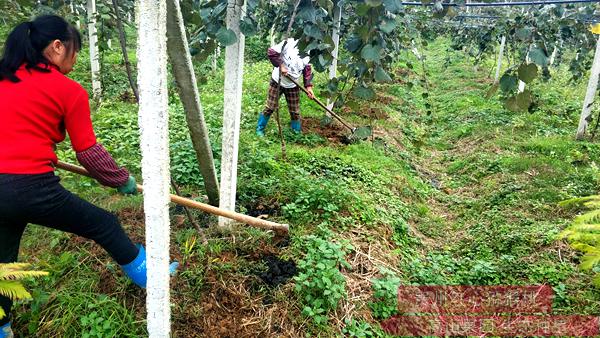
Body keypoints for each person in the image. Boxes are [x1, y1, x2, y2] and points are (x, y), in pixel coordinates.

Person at [0, 16, 175, 338]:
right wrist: (121, 179)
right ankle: (156, 279)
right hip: (30, 187)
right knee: (104, 224)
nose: (76, 59)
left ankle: (2, 328)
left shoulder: (3, 79)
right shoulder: (68, 90)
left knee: (2, 262)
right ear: (56, 47)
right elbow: (89, 153)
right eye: (74, 51)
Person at [256, 38, 315, 136]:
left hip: (293, 84)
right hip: (277, 81)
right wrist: (281, 66)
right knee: (270, 107)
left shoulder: (308, 50)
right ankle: (260, 129)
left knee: (295, 111)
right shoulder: (289, 42)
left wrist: (308, 87)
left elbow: (307, 69)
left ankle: (296, 133)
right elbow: (272, 52)